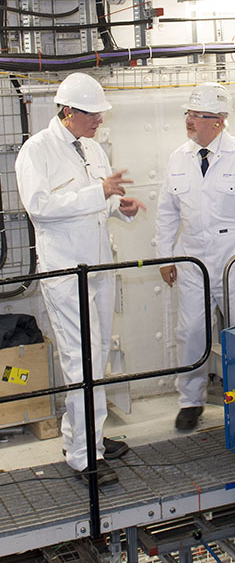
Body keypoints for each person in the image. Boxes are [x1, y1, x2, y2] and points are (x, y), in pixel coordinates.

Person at [15, 72, 146, 486]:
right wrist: (99, 194)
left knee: (98, 354)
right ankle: (82, 457)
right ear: (68, 111)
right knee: (80, 361)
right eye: (93, 114)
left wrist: (117, 207)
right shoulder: (36, 152)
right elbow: (41, 207)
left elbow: (97, 201)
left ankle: (90, 438)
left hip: (98, 266)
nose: (99, 122)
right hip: (66, 272)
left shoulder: (91, 148)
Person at [155, 83, 235, 431]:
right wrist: (164, 256)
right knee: (192, 331)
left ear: (219, 121)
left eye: (198, 116)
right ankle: (190, 400)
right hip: (193, 258)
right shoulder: (178, 157)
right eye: (189, 114)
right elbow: (167, 211)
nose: (190, 121)